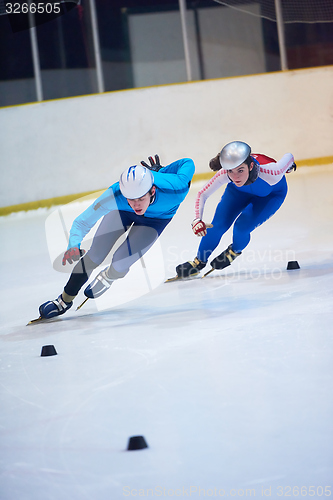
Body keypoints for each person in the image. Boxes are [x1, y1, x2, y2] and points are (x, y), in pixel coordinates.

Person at [38, 155, 195, 319]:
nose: (136, 205)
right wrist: (73, 245)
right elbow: (82, 222)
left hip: (156, 221)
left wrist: (162, 172)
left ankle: (110, 275)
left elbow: (187, 162)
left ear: (152, 190)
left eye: (141, 199)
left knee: (120, 263)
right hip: (122, 213)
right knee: (95, 255)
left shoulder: (176, 189)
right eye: (131, 200)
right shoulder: (115, 194)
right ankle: (63, 300)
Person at [176, 141, 296, 278]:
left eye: (240, 170)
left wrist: (288, 166)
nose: (235, 177)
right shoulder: (225, 174)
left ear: (251, 166)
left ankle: (234, 251)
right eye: (230, 171)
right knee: (217, 226)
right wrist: (197, 219)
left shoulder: (272, 171)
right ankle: (198, 262)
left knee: (241, 228)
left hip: (269, 196)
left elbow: (289, 156)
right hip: (239, 192)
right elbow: (202, 194)